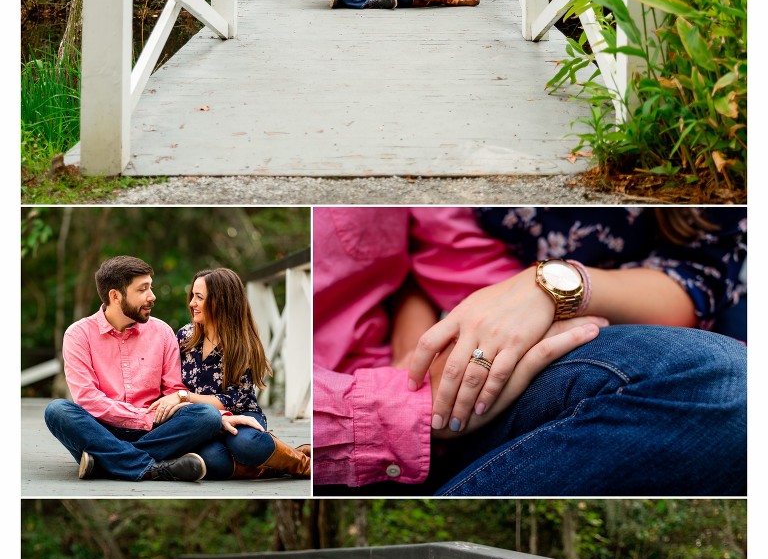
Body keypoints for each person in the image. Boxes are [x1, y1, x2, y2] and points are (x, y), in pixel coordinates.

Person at [312, 207, 746, 495]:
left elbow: (422, 260)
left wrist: (545, 286)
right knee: (725, 387)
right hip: (367, 416)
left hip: (546, 328)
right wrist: (406, 398)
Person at [44, 255, 228, 482]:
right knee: (57, 411)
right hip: (102, 428)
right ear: (115, 296)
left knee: (207, 416)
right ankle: (153, 468)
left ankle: (106, 462)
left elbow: (174, 390)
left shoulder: (162, 332)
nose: (152, 297)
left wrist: (221, 415)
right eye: (143, 290)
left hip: (156, 429)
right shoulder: (78, 335)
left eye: (150, 288)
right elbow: (88, 399)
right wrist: (142, 418)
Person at [148, 266, 310, 481]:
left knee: (246, 444)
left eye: (199, 297)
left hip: (241, 413)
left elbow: (234, 399)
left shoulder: (243, 343)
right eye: (192, 296)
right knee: (211, 459)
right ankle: (274, 465)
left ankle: (303, 465)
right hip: (202, 420)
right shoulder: (185, 336)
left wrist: (184, 397)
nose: (192, 304)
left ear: (219, 301)